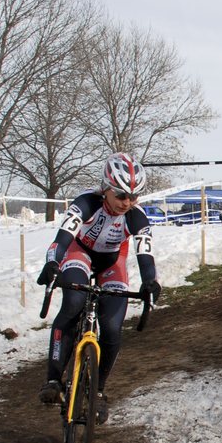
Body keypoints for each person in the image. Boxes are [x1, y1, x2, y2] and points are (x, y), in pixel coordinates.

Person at [35, 152, 161, 422]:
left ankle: (98, 393)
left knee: (113, 327)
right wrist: (52, 263)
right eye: (121, 196)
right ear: (105, 189)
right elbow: (62, 238)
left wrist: (150, 281)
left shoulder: (136, 218)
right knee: (73, 304)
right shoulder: (86, 204)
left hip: (112, 262)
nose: (127, 203)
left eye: (134, 197)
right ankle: (54, 381)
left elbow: (145, 254)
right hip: (77, 254)